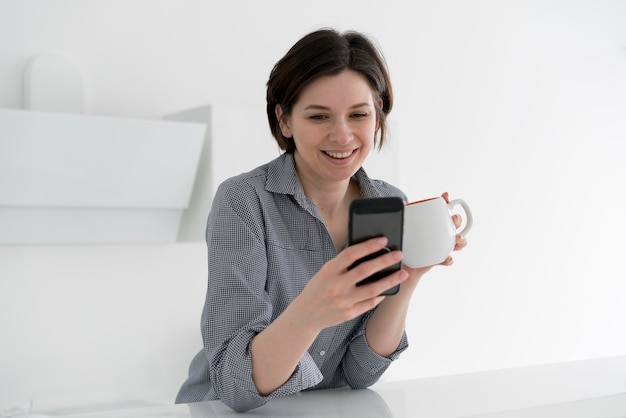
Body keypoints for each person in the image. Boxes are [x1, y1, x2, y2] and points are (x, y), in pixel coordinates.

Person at [175, 28, 468, 412]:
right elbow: (234, 383)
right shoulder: (244, 201)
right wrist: (312, 310)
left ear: (377, 117)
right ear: (284, 121)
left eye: (359, 114)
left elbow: (359, 373)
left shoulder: (389, 202)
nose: (342, 135)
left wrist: (407, 279)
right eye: (319, 116)